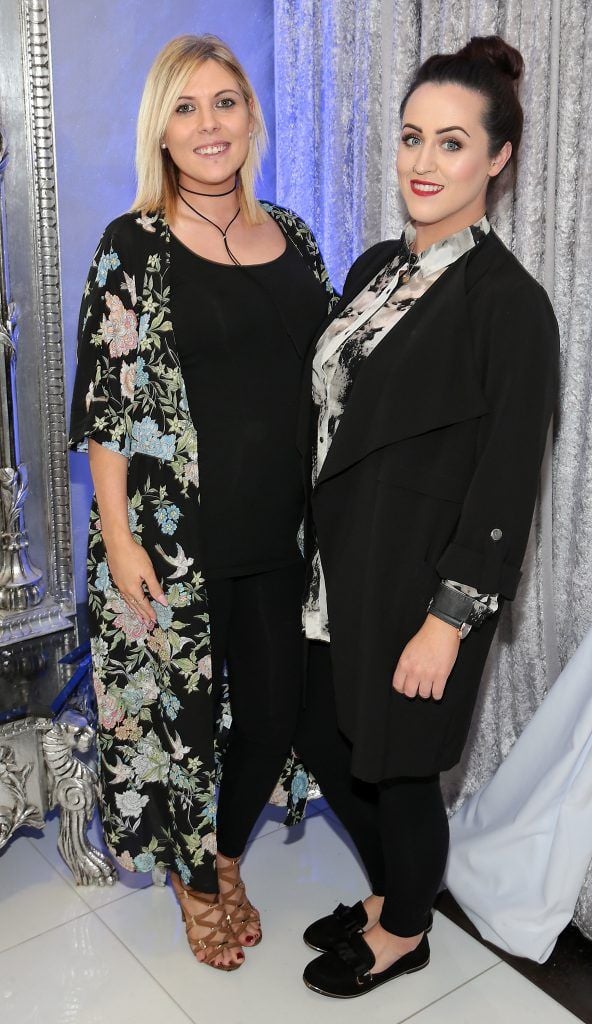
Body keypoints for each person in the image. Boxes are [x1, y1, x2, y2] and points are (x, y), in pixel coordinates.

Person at [294, 35, 559, 998]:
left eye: (452, 143)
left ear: (498, 159)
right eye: (412, 137)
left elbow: (505, 486)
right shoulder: (375, 267)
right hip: (338, 571)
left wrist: (449, 619)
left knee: (401, 769)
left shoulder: (510, 307)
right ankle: (395, 891)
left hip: (419, 582)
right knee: (327, 739)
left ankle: (406, 926)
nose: (422, 162)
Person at [69, 34, 334, 972]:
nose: (209, 124)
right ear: (162, 131)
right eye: (186, 108)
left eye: (225, 102)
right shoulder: (130, 246)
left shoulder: (296, 235)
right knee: (178, 720)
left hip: (279, 532)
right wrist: (118, 536)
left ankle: (220, 857)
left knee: (272, 714)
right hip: (170, 541)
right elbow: (105, 408)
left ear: (251, 119)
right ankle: (197, 881)